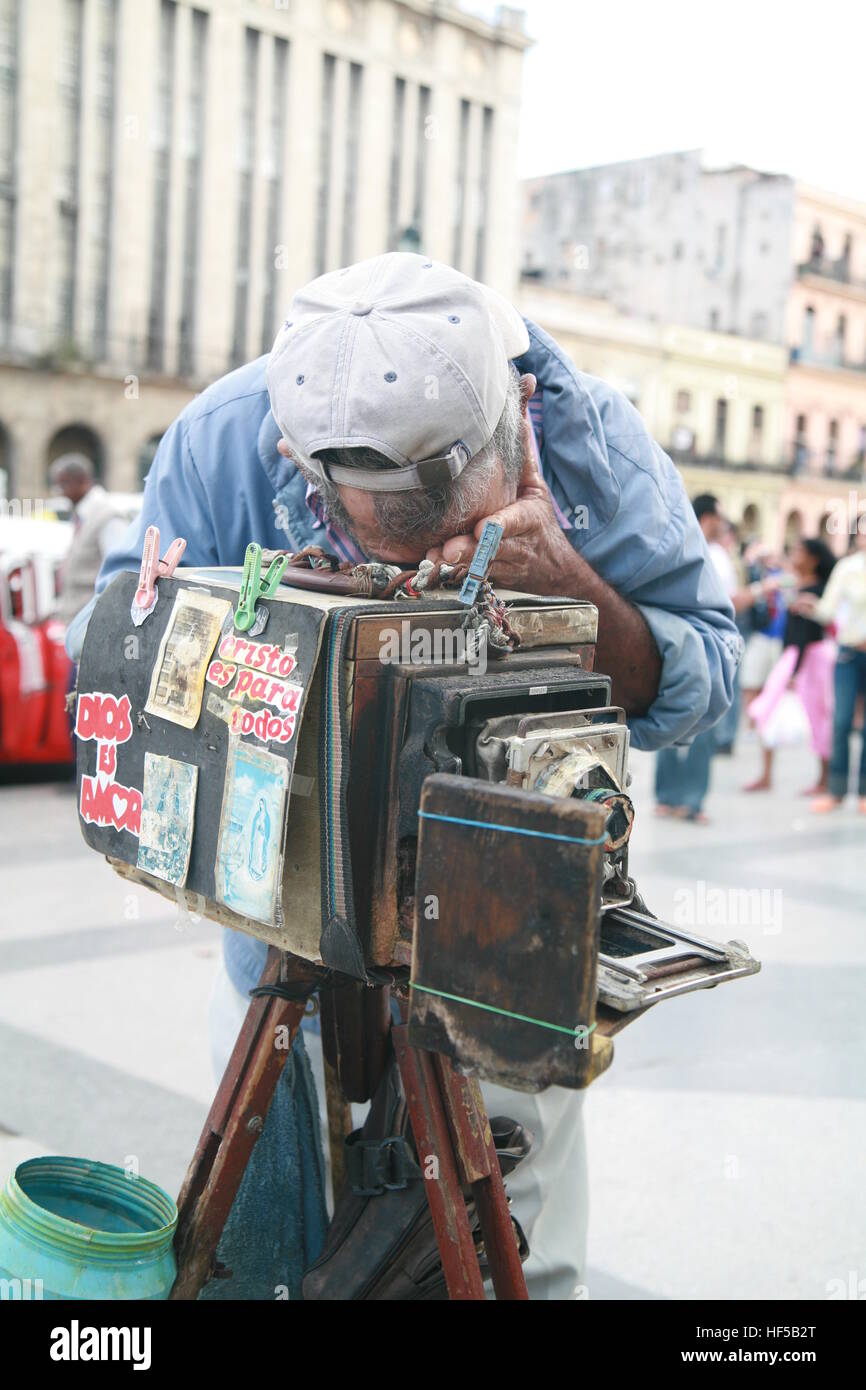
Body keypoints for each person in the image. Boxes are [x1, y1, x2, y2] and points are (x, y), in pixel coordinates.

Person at [66, 252, 739, 1300]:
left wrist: (568, 585)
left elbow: (703, 682)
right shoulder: (220, 439)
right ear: (300, 463)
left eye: (460, 534)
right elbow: (108, 655)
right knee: (270, 1251)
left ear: (514, 417)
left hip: (507, 938)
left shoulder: (586, 437)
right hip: (283, 949)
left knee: (516, 1243)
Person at [655, 495, 771, 822]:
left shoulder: (673, 540)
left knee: (669, 715)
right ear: (709, 517)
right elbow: (730, 602)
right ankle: (690, 801)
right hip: (708, 644)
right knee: (703, 723)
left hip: (674, 639)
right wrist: (764, 590)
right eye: (720, 515)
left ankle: (667, 796)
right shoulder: (716, 554)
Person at [746, 539, 837, 793]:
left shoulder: (821, 590)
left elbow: (814, 630)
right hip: (791, 655)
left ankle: (824, 778)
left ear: (813, 558)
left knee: (819, 716)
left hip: (811, 657)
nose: (794, 554)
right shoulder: (793, 584)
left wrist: (796, 671)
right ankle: (766, 775)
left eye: (800, 551)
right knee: (766, 708)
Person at [792, 527, 866, 813]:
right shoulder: (847, 568)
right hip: (848, 653)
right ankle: (836, 790)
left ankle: (863, 792)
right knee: (841, 721)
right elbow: (829, 610)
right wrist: (811, 606)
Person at [49, 453, 129, 626]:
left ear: (81, 481)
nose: (59, 491)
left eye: (63, 484)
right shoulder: (83, 515)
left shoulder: (107, 516)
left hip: (96, 626)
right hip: (77, 625)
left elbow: (121, 575)